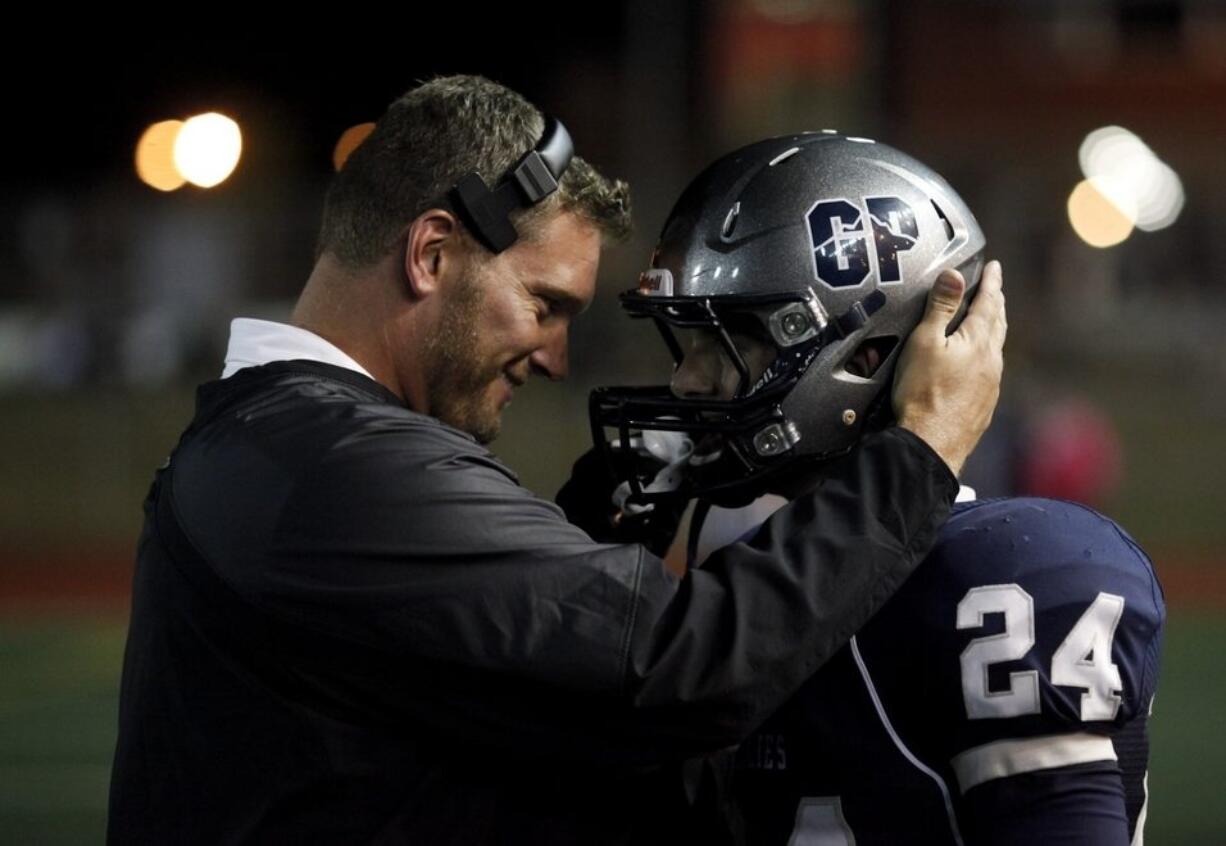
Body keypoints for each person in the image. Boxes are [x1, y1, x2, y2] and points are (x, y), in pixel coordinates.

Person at [108, 77, 1005, 844]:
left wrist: (599, 520)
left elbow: (489, 717)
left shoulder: (273, 447)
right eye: (544, 303)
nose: (556, 359)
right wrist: (920, 450)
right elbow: (680, 666)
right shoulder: (331, 467)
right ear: (431, 254)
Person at [593, 133, 1162, 844]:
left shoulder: (1001, 583)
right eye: (689, 345)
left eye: (729, 342)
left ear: (864, 354)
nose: (686, 382)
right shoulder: (760, 573)